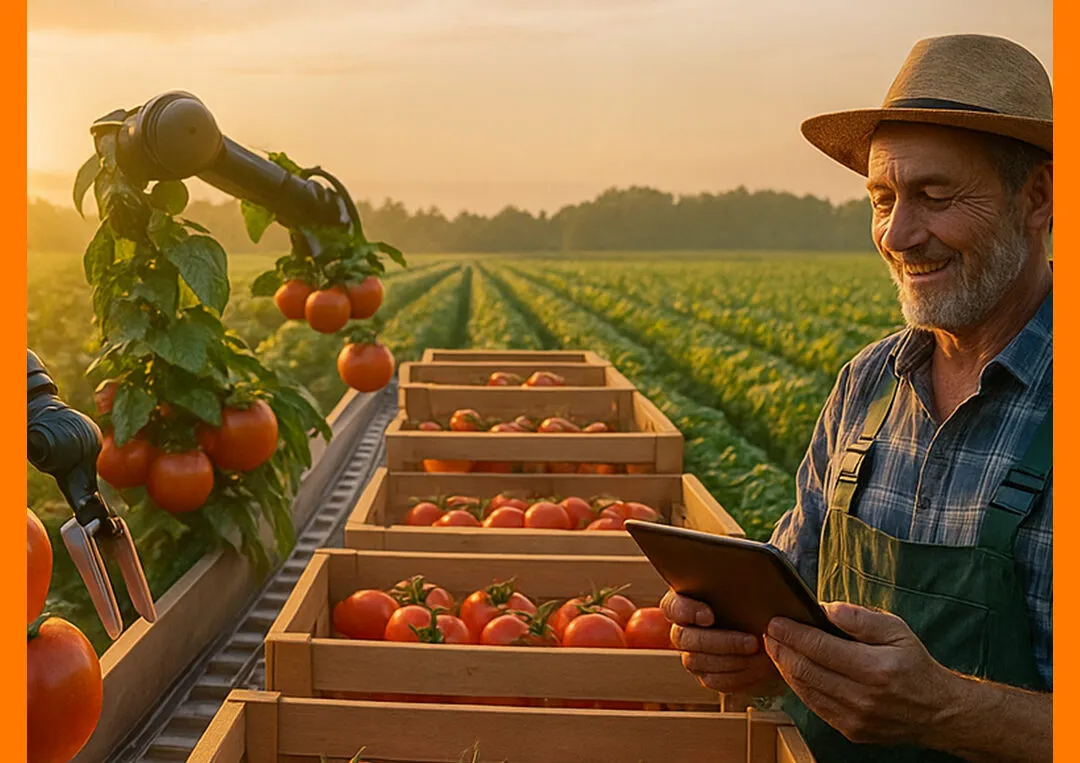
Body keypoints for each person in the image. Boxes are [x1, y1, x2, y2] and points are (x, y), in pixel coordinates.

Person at [663, 34, 1052, 762]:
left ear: (1037, 198)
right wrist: (748, 645)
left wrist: (945, 708)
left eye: (935, 197)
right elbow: (795, 596)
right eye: (882, 198)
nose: (899, 233)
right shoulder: (867, 385)